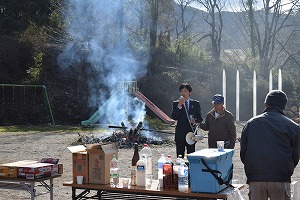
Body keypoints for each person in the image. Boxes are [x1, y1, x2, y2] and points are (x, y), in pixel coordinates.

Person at [240, 90, 300, 200]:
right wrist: (286, 170)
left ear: (266, 104)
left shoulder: (250, 124)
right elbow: (295, 156)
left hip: (255, 178)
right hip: (280, 178)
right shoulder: (293, 126)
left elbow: (243, 153)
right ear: (284, 106)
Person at [171, 83, 203, 158]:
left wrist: (194, 120)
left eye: (185, 91)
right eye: (181, 91)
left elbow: (200, 118)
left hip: (191, 133)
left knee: (191, 155)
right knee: (179, 156)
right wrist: (179, 105)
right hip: (180, 133)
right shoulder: (176, 103)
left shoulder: (195, 103)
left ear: (189, 92)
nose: (183, 93)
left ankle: (191, 169)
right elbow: (174, 117)